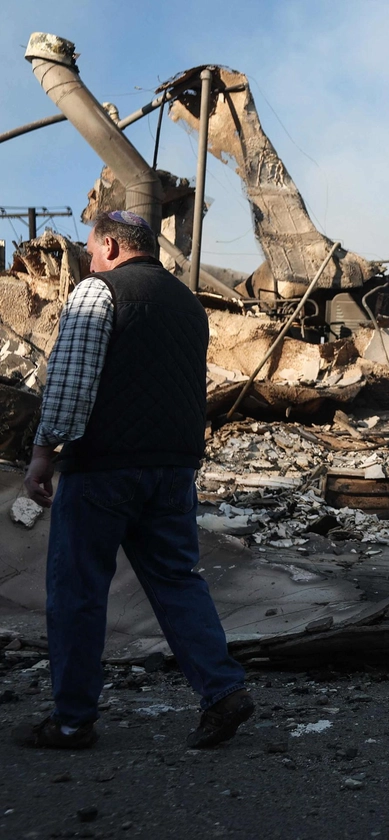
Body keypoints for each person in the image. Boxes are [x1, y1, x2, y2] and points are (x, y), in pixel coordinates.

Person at [13, 210, 253, 750]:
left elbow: (70, 387)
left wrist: (41, 458)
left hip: (104, 468)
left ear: (114, 247)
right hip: (173, 470)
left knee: (77, 591)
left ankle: (72, 720)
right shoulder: (189, 305)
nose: (89, 262)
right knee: (177, 580)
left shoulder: (97, 293)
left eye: (93, 252)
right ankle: (223, 690)